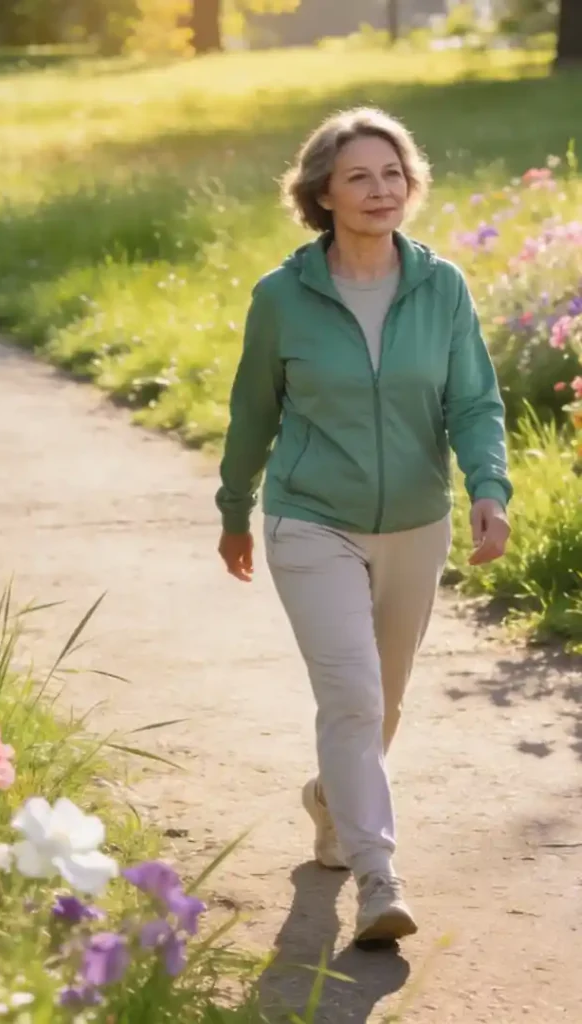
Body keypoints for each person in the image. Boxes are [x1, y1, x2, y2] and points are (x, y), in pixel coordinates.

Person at [215, 108, 512, 946]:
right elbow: (252, 413)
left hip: (418, 520)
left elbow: (473, 401)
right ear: (322, 194)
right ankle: (379, 877)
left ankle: (329, 798)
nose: (382, 190)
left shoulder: (442, 286)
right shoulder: (282, 298)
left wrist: (489, 486)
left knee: (381, 703)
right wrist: (235, 510)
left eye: (394, 173)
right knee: (351, 696)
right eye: (360, 176)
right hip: (313, 520)